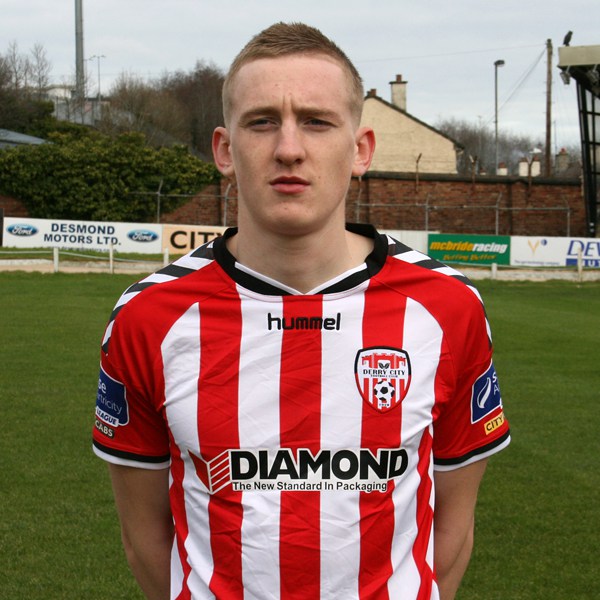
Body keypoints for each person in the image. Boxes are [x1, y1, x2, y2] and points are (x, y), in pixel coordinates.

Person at [93, 22, 510, 600]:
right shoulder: (148, 317)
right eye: (262, 121)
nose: (289, 147)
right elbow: (144, 539)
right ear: (224, 149)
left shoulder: (448, 309)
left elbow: (455, 529)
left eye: (316, 121)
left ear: (360, 149)